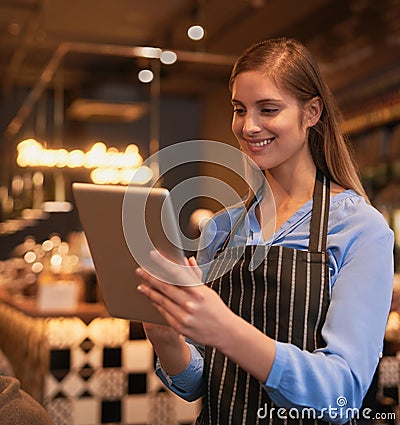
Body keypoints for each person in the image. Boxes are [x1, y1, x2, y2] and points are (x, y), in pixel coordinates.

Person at [135, 38, 394, 424]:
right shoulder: (221, 230)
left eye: (268, 109)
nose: (248, 126)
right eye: (239, 110)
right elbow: (202, 384)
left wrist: (225, 329)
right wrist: (166, 339)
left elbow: (342, 393)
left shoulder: (359, 229)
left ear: (312, 112)